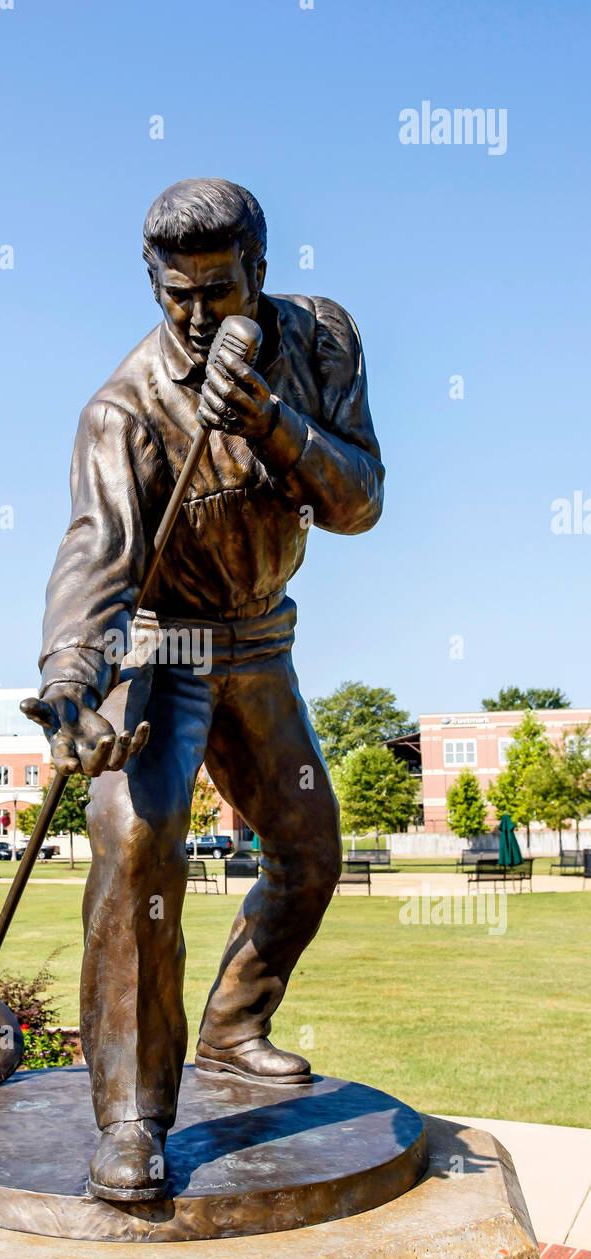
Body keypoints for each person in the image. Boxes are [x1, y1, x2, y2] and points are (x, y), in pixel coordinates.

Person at [24, 178, 384, 1200]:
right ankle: (132, 1116)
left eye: (215, 291)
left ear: (259, 273)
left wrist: (273, 426)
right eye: (171, 293)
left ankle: (231, 1023)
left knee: (310, 852)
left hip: (263, 643)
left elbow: (358, 501)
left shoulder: (321, 341)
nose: (191, 316)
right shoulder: (124, 409)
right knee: (137, 853)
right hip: (163, 651)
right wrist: (68, 677)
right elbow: (96, 552)